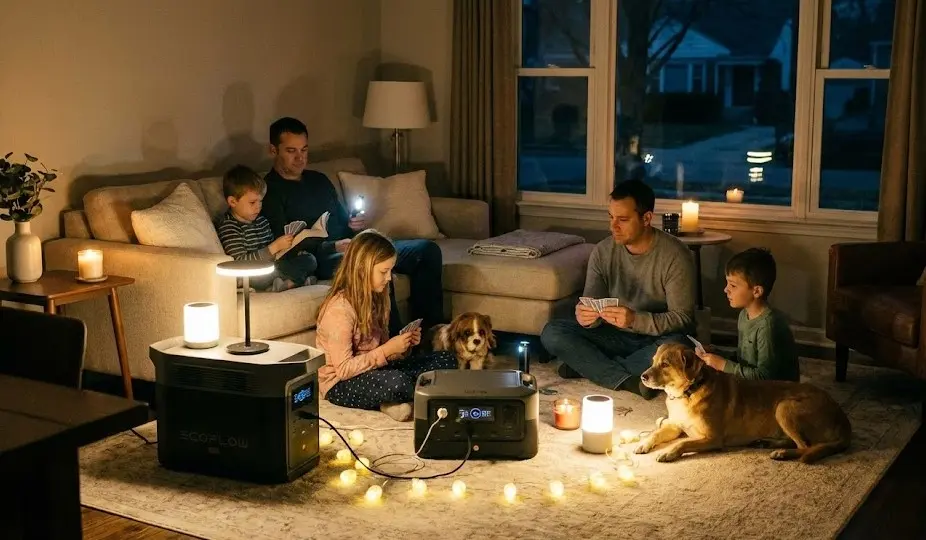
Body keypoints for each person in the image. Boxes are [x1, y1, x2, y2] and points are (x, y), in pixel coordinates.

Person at [261, 117, 444, 333]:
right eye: (291, 151)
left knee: (426, 251)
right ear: (273, 150)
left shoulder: (318, 180)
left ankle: (430, 335)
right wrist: (334, 246)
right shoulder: (269, 191)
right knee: (372, 263)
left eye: (304, 150)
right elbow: (285, 247)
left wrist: (354, 225)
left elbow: (343, 221)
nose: (300, 158)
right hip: (320, 258)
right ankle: (393, 341)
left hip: (352, 245)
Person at [540, 179, 696, 399]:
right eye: (611, 218)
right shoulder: (603, 251)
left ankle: (590, 367)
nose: (613, 226)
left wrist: (634, 320)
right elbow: (592, 304)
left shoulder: (676, 255)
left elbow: (683, 319)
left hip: (655, 341)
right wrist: (586, 317)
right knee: (553, 332)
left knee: (681, 344)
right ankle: (628, 380)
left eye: (622, 220)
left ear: (646, 219)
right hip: (613, 336)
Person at [315, 230, 457, 421]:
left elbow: (382, 352)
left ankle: (394, 400)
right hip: (341, 383)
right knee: (398, 382)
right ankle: (394, 400)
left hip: (375, 370)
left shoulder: (378, 298)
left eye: (391, 271)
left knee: (447, 359)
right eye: (384, 272)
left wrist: (403, 347)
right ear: (362, 269)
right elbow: (343, 369)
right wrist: (387, 350)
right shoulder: (339, 310)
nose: (389, 278)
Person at [696, 248, 800, 381]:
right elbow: (745, 359)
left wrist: (723, 365)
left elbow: (764, 377)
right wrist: (715, 353)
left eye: (733, 285)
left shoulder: (768, 326)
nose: (726, 289)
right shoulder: (744, 315)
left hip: (776, 390)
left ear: (757, 291)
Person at [216, 165, 317, 292]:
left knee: (309, 260)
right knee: (264, 274)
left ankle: (289, 282)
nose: (258, 207)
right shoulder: (229, 227)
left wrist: (288, 250)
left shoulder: (262, 221)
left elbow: (275, 255)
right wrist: (274, 247)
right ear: (233, 202)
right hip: (253, 273)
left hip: (273, 266)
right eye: (252, 202)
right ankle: (295, 281)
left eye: (261, 201)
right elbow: (240, 262)